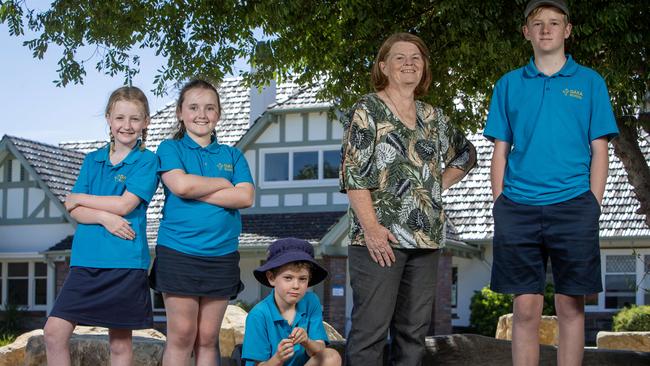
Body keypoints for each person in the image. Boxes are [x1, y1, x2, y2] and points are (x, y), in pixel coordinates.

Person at [484, 1, 619, 365]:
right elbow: (500, 148)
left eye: (554, 23)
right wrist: (500, 202)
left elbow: (600, 148)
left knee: (569, 305)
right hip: (518, 207)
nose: (546, 29)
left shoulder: (590, 82)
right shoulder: (508, 84)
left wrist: (594, 202)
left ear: (567, 30)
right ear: (526, 32)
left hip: (575, 206)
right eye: (537, 23)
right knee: (526, 308)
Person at [340, 32, 477, 365]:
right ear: (384, 66)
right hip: (379, 239)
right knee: (369, 334)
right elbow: (353, 172)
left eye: (416, 58)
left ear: (424, 68)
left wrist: (432, 187)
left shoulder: (434, 117)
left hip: (425, 238)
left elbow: (466, 153)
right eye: (399, 57)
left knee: (413, 336)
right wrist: (372, 229)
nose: (409, 64)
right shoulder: (367, 108)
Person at [43, 86, 159, 366]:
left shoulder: (147, 161)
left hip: (125, 262)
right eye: (120, 118)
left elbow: (123, 206)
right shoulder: (91, 160)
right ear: (108, 119)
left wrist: (80, 198)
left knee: (119, 344)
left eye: (135, 119)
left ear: (146, 122)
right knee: (53, 333)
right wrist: (104, 217)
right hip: (85, 261)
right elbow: (75, 212)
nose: (127, 126)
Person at [150, 79, 255, 365]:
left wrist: (202, 189)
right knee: (182, 335)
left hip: (221, 255)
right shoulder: (170, 149)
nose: (202, 114)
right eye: (193, 107)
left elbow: (245, 197)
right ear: (180, 113)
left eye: (210, 108)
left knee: (208, 337)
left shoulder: (232, 155)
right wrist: (223, 185)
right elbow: (181, 187)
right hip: (179, 252)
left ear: (218, 114)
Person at [241, 238, 341, 366]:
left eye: (302, 279)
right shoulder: (258, 315)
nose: (296, 285)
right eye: (288, 278)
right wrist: (278, 358)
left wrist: (307, 341)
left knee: (331, 356)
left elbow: (320, 349)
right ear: (271, 278)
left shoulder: (311, 301)